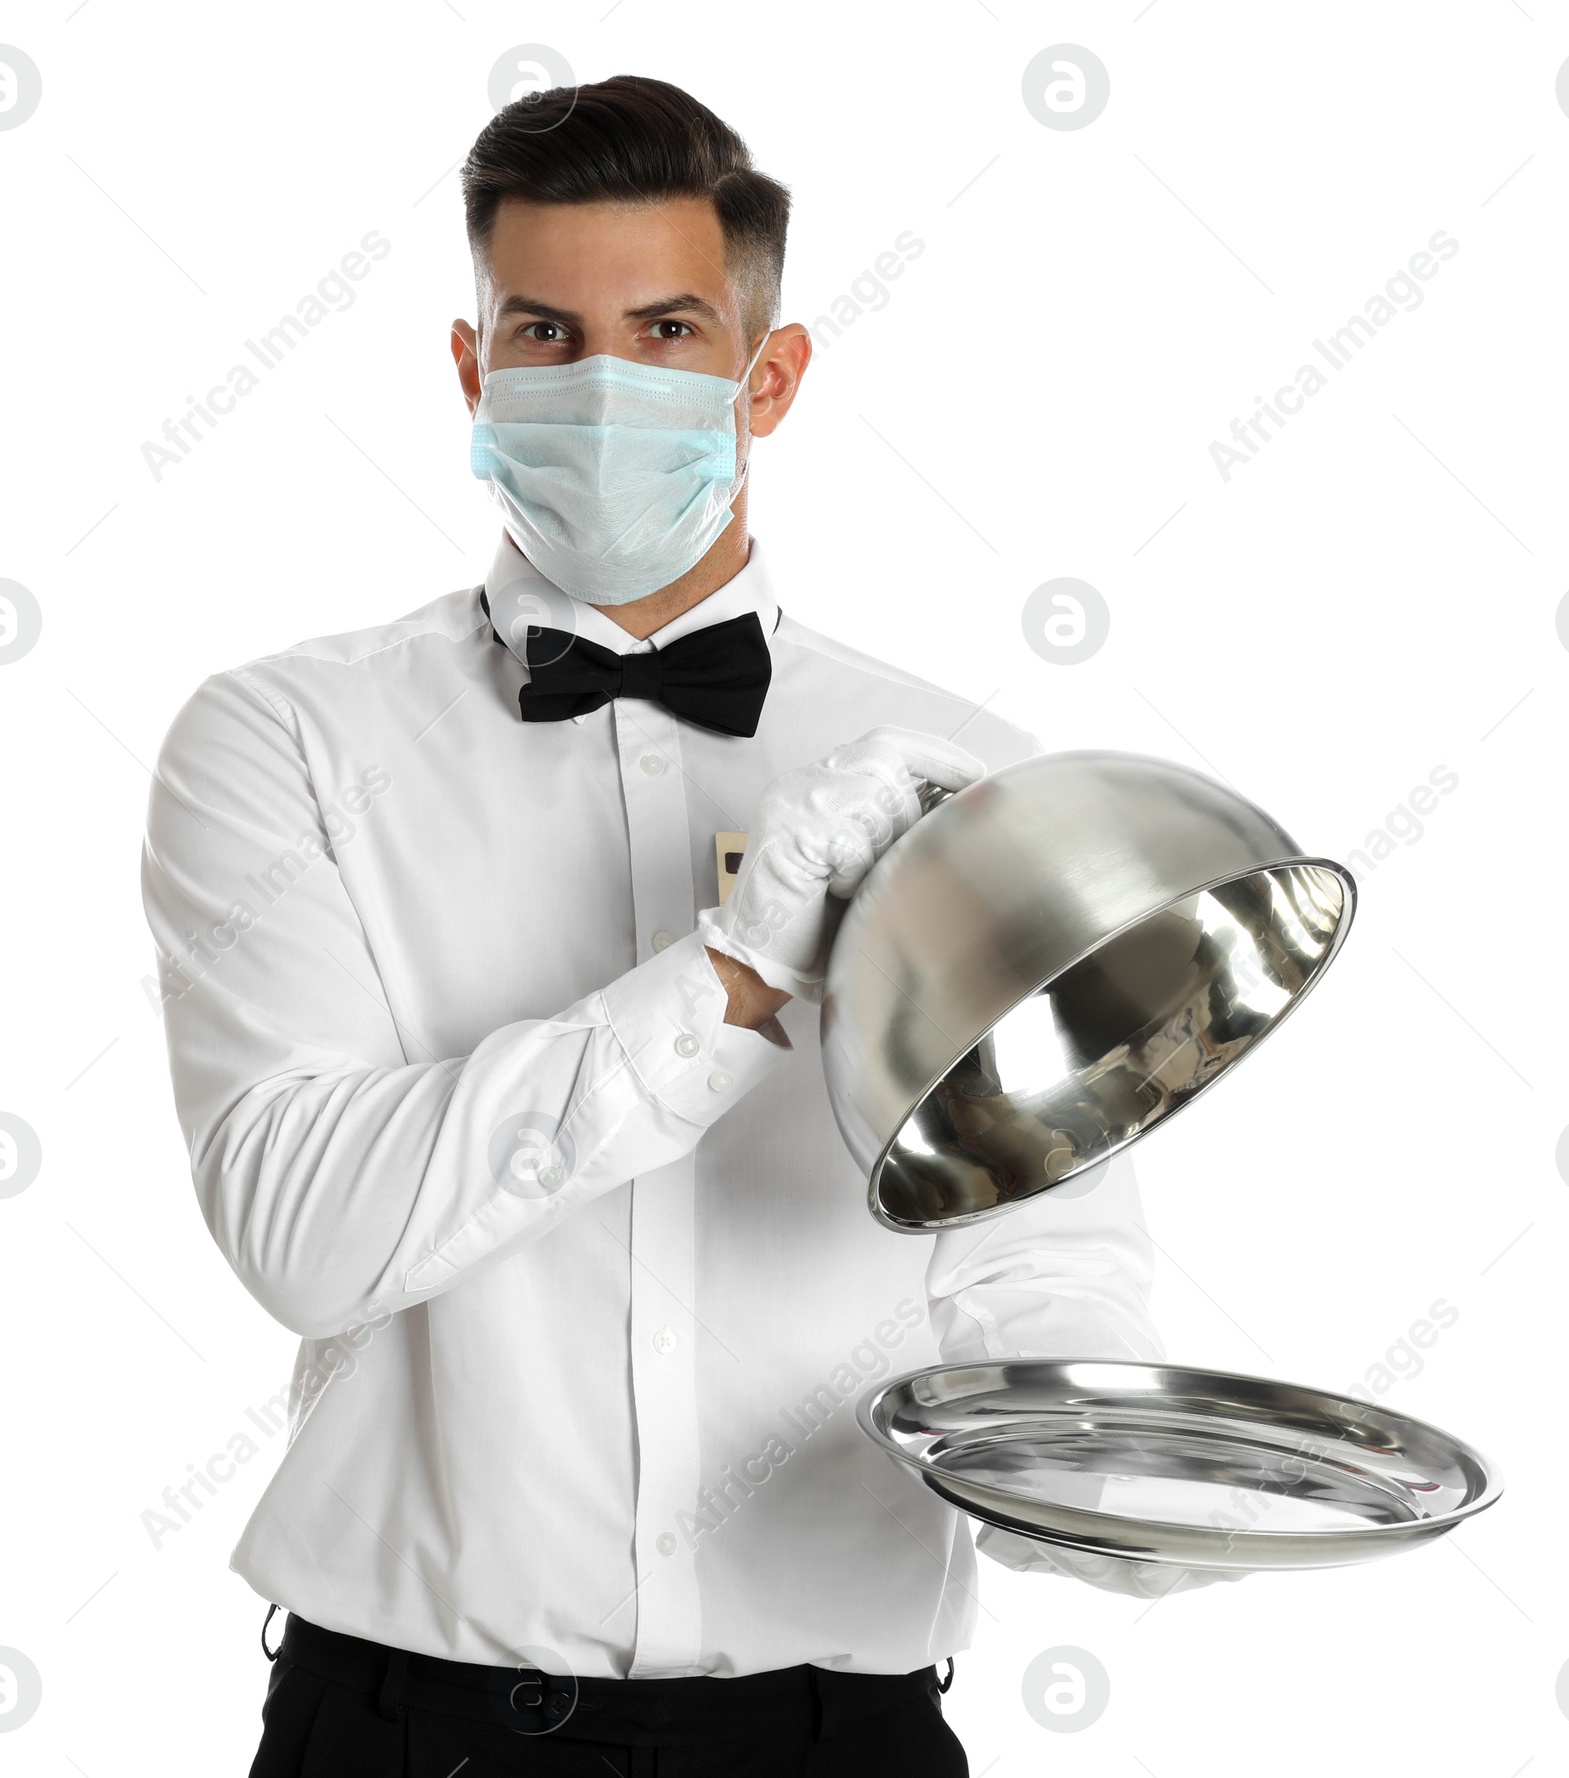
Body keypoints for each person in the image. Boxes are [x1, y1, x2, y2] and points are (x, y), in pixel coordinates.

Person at [143, 74, 1216, 1778]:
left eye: (665, 329)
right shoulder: (284, 741)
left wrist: (1101, 1484)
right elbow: (302, 1227)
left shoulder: (965, 775)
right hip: (414, 1734)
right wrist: (728, 979)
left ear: (766, 375)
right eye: (546, 332)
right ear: (471, 367)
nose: (602, 384)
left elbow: (1032, 1245)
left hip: (840, 1738)